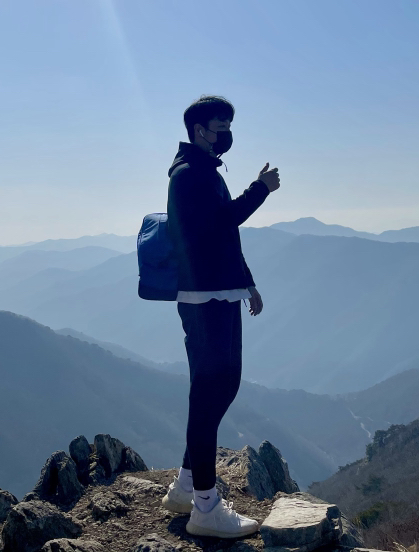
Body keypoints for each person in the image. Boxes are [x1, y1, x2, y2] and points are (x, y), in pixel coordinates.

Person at [162, 95, 280, 538]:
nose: (226, 133)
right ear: (199, 130)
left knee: (215, 388)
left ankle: (188, 485)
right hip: (205, 295)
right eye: (219, 126)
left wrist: (246, 280)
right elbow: (225, 221)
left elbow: (223, 235)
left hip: (218, 291)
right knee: (213, 390)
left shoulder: (202, 172)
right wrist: (260, 189)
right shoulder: (190, 176)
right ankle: (206, 508)